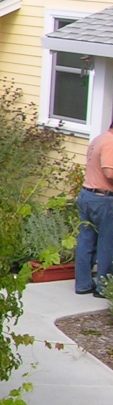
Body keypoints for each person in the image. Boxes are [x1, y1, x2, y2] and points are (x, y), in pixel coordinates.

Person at [77, 123, 113, 296]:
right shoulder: (111, 143)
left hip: (87, 195)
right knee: (107, 243)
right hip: (103, 199)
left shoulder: (99, 139)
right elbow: (109, 172)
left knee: (86, 241)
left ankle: (83, 284)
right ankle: (103, 287)